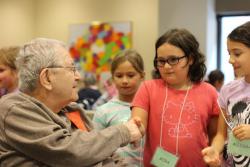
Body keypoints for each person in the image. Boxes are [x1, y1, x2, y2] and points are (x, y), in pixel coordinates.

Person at [0, 38, 144, 167]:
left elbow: (103, 152)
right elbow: (70, 152)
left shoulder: (71, 110)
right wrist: (123, 132)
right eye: (72, 69)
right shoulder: (14, 109)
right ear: (47, 78)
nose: (78, 76)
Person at [131, 28, 220, 167]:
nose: (166, 66)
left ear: (190, 59)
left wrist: (214, 152)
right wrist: (136, 128)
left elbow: (216, 134)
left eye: (173, 60)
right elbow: (138, 123)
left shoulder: (209, 92)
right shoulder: (148, 88)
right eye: (161, 61)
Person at [202, 21, 250, 167]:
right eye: (229, 53)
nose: (230, 60)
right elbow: (221, 135)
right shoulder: (228, 90)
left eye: (237, 53)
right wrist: (215, 150)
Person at [93, 49, 145, 166]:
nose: (125, 81)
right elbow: (95, 147)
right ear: (112, 78)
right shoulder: (104, 111)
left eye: (131, 75)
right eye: (119, 76)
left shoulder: (150, 108)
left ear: (142, 76)